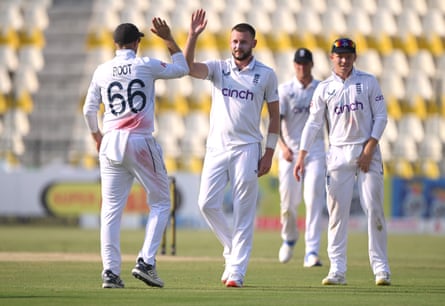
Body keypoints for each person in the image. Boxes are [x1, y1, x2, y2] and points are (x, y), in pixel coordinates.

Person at [83, 20, 189, 289]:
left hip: (109, 143)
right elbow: (182, 69)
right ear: (135, 43)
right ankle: (146, 261)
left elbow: (88, 110)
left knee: (110, 211)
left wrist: (97, 135)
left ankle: (110, 272)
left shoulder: (102, 70)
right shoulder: (144, 64)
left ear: (115, 44)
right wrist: (168, 39)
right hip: (139, 140)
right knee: (163, 202)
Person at [184, 9, 280, 288]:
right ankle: (232, 249)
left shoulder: (266, 74)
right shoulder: (219, 68)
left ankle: (236, 271)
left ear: (254, 43)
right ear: (230, 43)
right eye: (235, 41)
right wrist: (192, 36)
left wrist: (269, 152)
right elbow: (189, 68)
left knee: (243, 211)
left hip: (248, 149)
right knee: (206, 204)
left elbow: (275, 116)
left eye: (244, 42)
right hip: (216, 147)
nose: (239, 46)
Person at [294, 38, 391, 286]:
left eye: (348, 56)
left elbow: (381, 116)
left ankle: (381, 269)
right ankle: (337, 270)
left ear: (355, 57)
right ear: (332, 57)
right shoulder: (324, 88)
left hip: (367, 151)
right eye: (340, 56)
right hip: (338, 153)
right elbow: (314, 123)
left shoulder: (368, 81)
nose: (344, 60)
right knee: (337, 214)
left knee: (375, 210)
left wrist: (370, 147)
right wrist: (302, 155)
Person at [277, 48, 326, 267]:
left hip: (315, 151)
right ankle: (289, 238)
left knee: (314, 198)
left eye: (305, 63)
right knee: (288, 203)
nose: (302, 67)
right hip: (290, 152)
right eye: (298, 63)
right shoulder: (285, 90)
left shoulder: (321, 89)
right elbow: (274, 122)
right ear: (294, 65)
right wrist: (283, 147)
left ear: (311, 65)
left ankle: (312, 250)